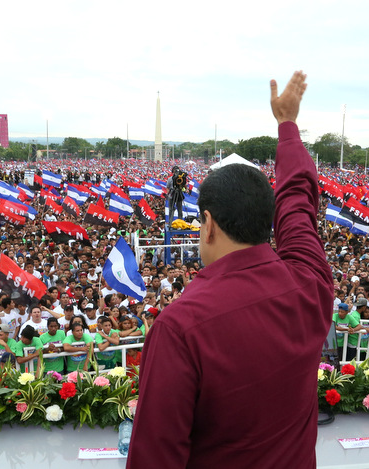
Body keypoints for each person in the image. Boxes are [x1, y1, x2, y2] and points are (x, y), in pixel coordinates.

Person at [129, 71, 334, 469]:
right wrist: (287, 128)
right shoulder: (310, 284)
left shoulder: (178, 328)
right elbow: (298, 205)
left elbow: (155, 457)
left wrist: (287, 125)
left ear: (207, 224)